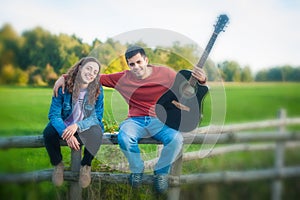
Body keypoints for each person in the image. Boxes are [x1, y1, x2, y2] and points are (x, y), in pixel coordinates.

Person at [54, 46, 207, 193]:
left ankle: (161, 173)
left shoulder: (166, 74)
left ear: (146, 60)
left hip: (160, 121)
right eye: (131, 64)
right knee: (125, 137)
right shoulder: (122, 78)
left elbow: (187, 89)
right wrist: (65, 77)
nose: (136, 67)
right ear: (128, 65)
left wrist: (202, 81)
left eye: (139, 62)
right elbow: (93, 77)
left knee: (176, 140)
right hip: (135, 120)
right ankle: (137, 169)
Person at [44, 57, 104, 188]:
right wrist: (67, 134)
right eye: (88, 68)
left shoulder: (98, 89)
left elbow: (96, 117)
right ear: (80, 67)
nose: (91, 73)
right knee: (48, 133)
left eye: (95, 72)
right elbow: (54, 114)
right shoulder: (63, 87)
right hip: (64, 124)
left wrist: (77, 126)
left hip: (84, 126)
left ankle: (86, 166)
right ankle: (58, 165)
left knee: (97, 131)